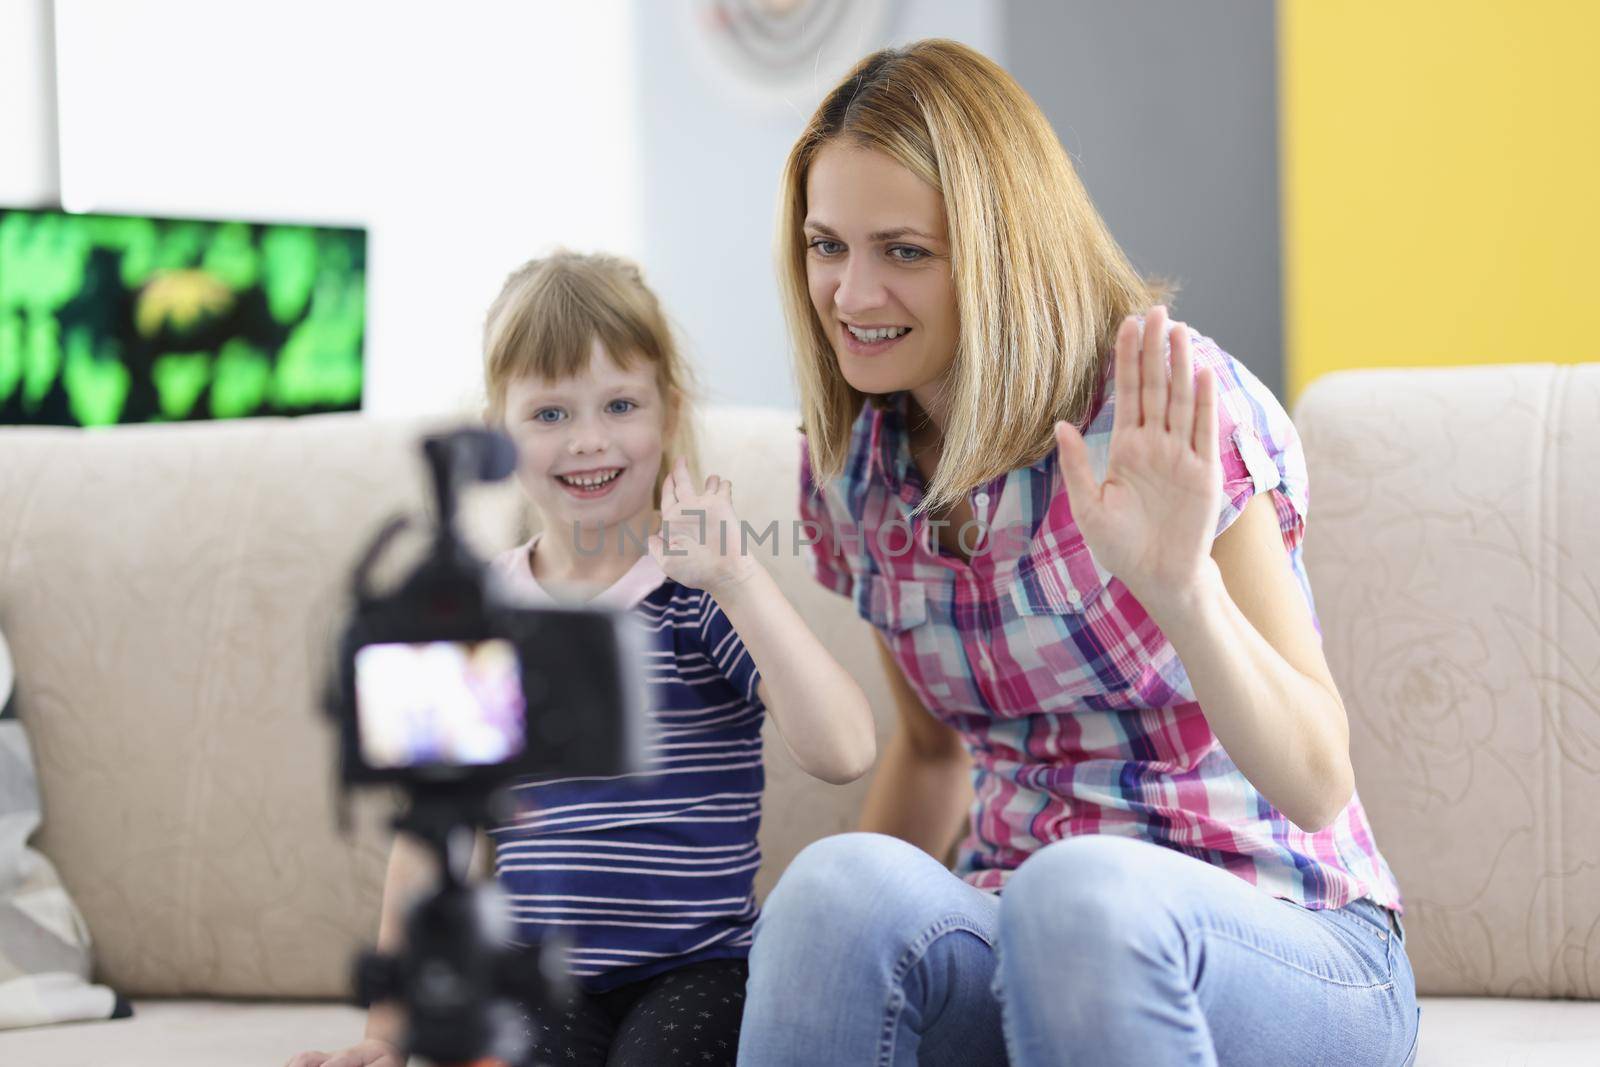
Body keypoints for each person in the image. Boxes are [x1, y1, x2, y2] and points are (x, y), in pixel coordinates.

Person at [738, 39, 1419, 1067]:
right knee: (834, 883)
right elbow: (931, 756)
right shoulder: (857, 468)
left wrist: (1179, 589)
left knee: (1080, 886)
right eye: (826, 244)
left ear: (1003, 248)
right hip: (1020, 929)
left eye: (904, 251)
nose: (851, 292)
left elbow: (1318, 781)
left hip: (1284, 933)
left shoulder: (1164, 409)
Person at [286, 251, 875, 1067]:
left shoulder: (703, 593)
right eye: (551, 413)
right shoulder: (480, 615)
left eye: (619, 404)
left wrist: (740, 579)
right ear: (499, 435)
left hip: (701, 970)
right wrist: (387, 1033)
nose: (589, 440)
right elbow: (431, 838)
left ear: (668, 415)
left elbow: (845, 749)